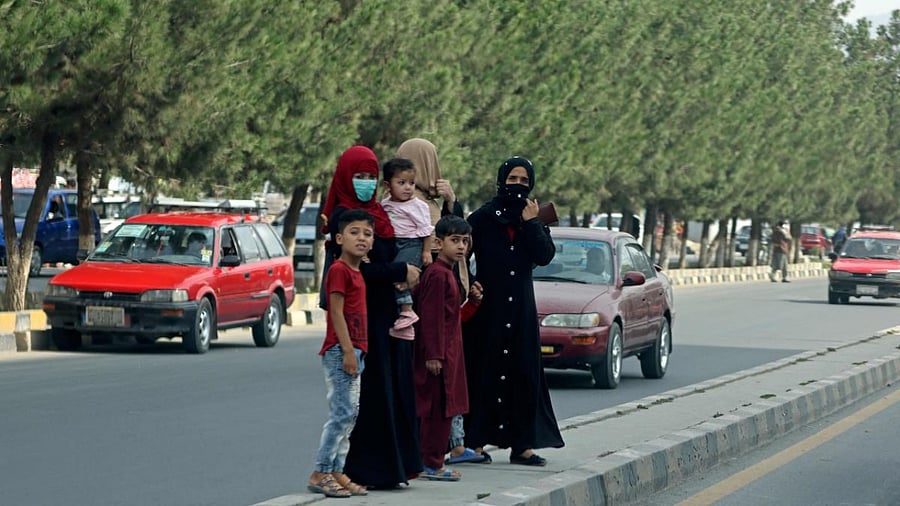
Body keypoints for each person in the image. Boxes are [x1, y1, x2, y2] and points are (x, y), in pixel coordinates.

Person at [320, 145, 423, 490]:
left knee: (385, 393)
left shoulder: (376, 213)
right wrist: (399, 269)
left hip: (383, 316)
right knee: (359, 403)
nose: (365, 183)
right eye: (358, 176)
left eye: (370, 177)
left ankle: (389, 469)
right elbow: (355, 272)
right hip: (358, 321)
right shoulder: (343, 219)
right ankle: (353, 471)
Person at [463, 156, 564, 467]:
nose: (517, 186)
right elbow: (460, 254)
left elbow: (544, 256)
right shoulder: (481, 218)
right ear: (501, 180)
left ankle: (522, 445)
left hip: (520, 309)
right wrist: (469, 285)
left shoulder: (532, 218)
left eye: (523, 181)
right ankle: (475, 443)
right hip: (488, 311)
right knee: (483, 373)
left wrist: (533, 224)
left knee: (523, 374)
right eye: (512, 180)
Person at [395, 137, 481, 465]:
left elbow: (454, 231)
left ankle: (451, 446)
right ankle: (431, 454)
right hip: (420, 301)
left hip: (447, 299)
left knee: (450, 383)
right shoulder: (405, 203)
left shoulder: (435, 201)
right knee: (433, 386)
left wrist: (451, 201)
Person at [307, 209, 374, 499]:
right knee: (341, 413)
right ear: (339, 238)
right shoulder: (338, 270)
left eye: (368, 234)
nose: (361, 238)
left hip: (355, 351)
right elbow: (335, 312)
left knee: (351, 413)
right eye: (354, 232)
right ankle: (321, 471)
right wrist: (347, 351)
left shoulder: (358, 271)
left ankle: (337, 470)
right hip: (340, 351)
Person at [412, 215, 474, 481]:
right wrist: (434, 355)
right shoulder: (437, 275)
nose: (460, 247)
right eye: (454, 240)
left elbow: (451, 315)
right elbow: (432, 317)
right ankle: (432, 463)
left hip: (451, 351)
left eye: (464, 241)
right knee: (437, 410)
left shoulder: (448, 273)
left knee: (445, 409)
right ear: (438, 242)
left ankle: (432, 460)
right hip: (440, 355)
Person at [380, 157, 434, 340]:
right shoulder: (385, 205)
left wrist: (426, 251)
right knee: (393, 278)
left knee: (401, 276)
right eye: (401, 183)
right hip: (394, 244)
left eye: (411, 183)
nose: (408, 187)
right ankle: (402, 317)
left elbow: (426, 231)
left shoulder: (418, 206)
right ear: (388, 185)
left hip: (412, 244)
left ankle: (407, 311)